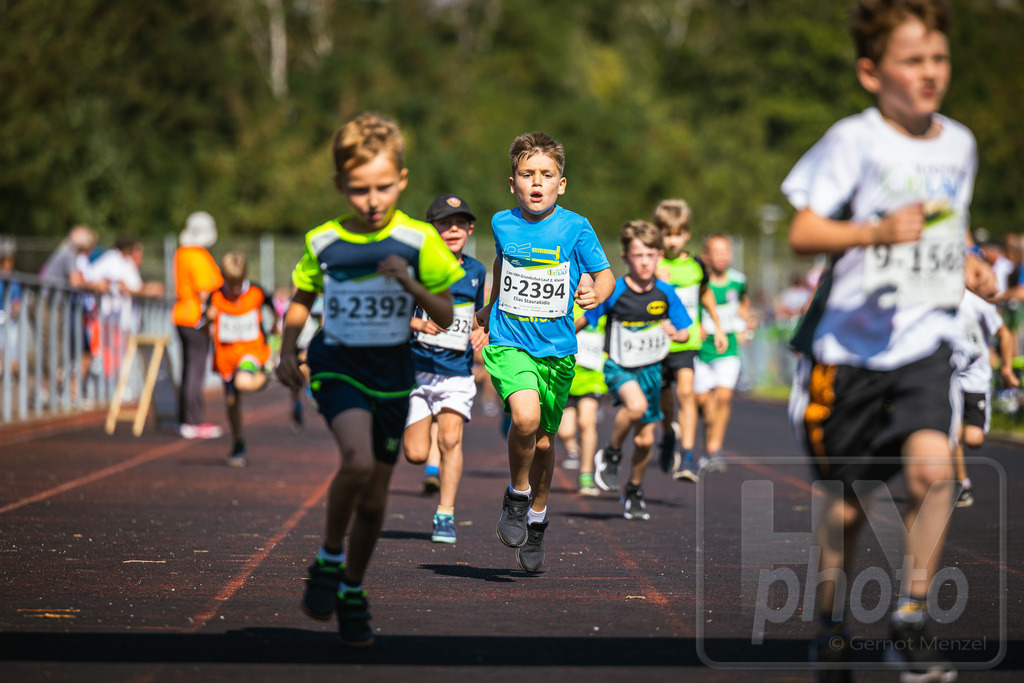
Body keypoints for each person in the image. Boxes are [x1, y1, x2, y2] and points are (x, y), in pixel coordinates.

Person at [781, 1, 993, 678]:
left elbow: (944, 228)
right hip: (849, 352)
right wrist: (874, 231)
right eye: (913, 61)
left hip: (923, 341)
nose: (930, 73)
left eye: (938, 58)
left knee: (936, 474)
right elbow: (804, 232)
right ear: (873, 72)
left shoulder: (959, 143)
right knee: (848, 503)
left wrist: (969, 263)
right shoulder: (855, 139)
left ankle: (911, 615)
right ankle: (833, 621)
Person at [275, 112, 463, 646]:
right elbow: (301, 300)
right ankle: (329, 558)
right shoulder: (323, 243)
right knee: (355, 460)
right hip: (338, 364)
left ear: (401, 180)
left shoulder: (418, 239)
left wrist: (408, 282)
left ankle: (352, 589)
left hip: (392, 373)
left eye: (383, 187)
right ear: (340, 186)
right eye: (359, 190)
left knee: (377, 499)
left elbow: (447, 315)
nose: (372, 200)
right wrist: (287, 350)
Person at [474, 131, 614, 573]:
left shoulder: (576, 226)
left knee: (547, 444)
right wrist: (488, 308)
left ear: (562, 183)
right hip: (509, 340)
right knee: (526, 419)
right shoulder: (501, 222)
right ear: (511, 182)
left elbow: (605, 275)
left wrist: (596, 295)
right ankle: (516, 495)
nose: (537, 183)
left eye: (546, 175)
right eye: (527, 174)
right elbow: (502, 265)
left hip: (556, 348)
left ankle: (537, 519)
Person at [587, 221, 692, 519]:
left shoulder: (665, 293)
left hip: (650, 371)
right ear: (625, 258)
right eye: (638, 255)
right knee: (635, 406)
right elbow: (586, 318)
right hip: (618, 365)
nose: (644, 261)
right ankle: (611, 452)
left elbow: (686, 331)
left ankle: (633, 489)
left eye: (650, 255)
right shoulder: (615, 290)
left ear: (659, 256)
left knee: (645, 440)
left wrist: (675, 332)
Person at [402, 193, 488, 543]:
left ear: (469, 229)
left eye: (459, 224)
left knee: (451, 439)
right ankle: (430, 431)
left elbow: (480, 314)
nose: (452, 229)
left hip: (456, 371)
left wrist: (482, 330)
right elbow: (394, 313)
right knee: (416, 454)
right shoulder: (415, 270)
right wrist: (420, 325)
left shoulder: (477, 271)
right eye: (444, 224)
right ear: (431, 230)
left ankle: (445, 515)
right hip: (417, 371)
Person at [651, 199, 727, 479]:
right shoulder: (651, 262)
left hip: (687, 342)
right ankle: (669, 433)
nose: (672, 240)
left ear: (687, 235)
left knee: (686, 392)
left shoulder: (695, 266)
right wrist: (654, 279)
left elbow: (705, 292)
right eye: (667, 234)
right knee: (664, 400)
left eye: (678, 234)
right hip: (657, 344)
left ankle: (687, 456)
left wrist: (717, 326)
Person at [681, 233, 753, 481]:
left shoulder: (738, 281)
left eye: (726, 251)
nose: (722, 257)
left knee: (723, 396)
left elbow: (744, 303)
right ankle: (705, 442)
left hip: (728, 347)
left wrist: (745, 321)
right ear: (707, 255)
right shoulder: (698, 280)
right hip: (702, 348)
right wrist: (696, 325)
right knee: (704, 403)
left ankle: (714, 449)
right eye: (717, 252)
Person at [207, 252, 275, 467]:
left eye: (238, 283)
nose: (235, 289)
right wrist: (207, 319)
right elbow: (203, 320)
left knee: (242, 383)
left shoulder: (257, 292)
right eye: (231, 283)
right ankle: (238, 442)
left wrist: (276, 325)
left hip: (251, 351)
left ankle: (266, 375)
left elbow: (277, 307)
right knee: (232, 402)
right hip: (226, 356)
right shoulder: (215, 296)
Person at [952, 289, 1018, 507]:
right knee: (953, 432)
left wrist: (1007, 368)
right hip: (950, 378)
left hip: (976, 379)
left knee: (973, 439)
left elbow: (1004, 333)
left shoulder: (977, 305)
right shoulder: (933, 302)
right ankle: (962, 484)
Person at [172, 212, 225, 440]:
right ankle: (192, 421)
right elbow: (206, 291)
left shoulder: (181, 253)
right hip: (196, 317)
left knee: (188, 369)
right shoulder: (198, 255)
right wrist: (212, 318)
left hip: (182, 314)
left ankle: (186, 419)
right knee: (196, 370)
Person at [557, 302, 607, 496]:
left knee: (587, 422)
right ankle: (574, 449)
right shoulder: (565, 304)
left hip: (593, 377)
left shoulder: (601, 306)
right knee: (565, 432)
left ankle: (586, 475)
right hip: (567, 376)